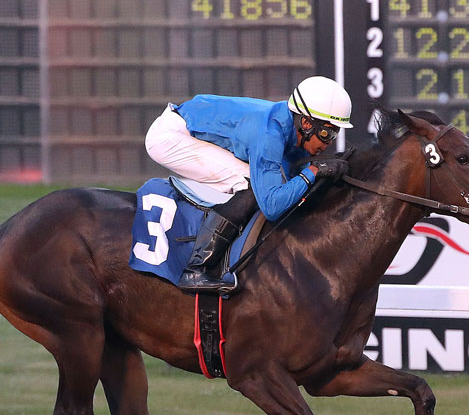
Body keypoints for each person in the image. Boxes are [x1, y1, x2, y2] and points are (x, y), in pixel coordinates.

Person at [145, 75, 353, 293]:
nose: (328, 142)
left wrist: (316, 174)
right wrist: (313, 172)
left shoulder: (290, 124)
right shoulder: (270, 135)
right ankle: (196, 268)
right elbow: (271, 206)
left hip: (188, 122)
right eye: (326, 133)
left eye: (334, 134)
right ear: (306, 123)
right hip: (170, 137)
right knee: (250, 184)